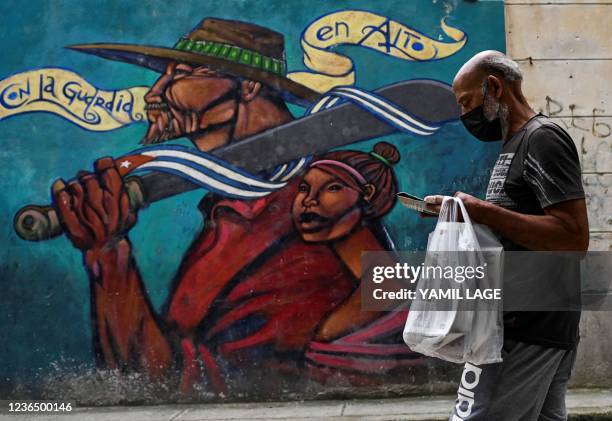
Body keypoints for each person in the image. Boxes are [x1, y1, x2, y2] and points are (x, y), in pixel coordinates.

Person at [49, 17, 415, 396]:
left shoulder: (311, 199)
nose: (156, 92)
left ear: (248, 85)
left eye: (183, 73)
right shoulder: (231, 207)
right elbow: (150, 379)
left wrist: (109, 256)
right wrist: (106, 251)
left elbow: (167, 380)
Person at [423, 51, 589, 420]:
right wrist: (463, 214)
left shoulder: (541, 139)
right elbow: (519, 225)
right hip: (533, 322)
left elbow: (572, 238)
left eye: (467, 101)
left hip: (525, 326)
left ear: (494, 86)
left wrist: (482, 211)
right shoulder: (514, 145)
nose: (464, 114)